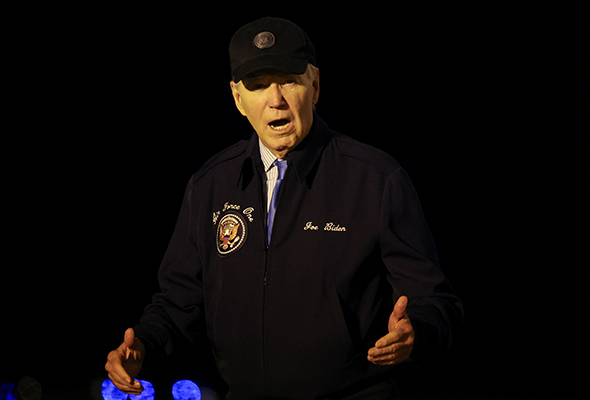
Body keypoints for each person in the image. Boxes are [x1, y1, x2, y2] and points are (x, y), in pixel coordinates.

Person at [105, 17, 463, 400]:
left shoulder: (376, 180)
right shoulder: (210, 185)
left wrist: (416, 332)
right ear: (237, 99)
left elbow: (436, 302)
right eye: (257, 86)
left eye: (288, 81)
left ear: (315, 86)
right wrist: (143, 343)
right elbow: (179, 302)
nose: (275, 99)